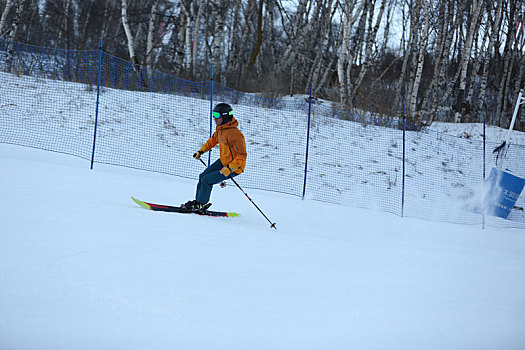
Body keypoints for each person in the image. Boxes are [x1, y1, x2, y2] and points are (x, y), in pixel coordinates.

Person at [182, 103, 247, 212]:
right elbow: (212, 141)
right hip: (223, 161)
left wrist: (230, 168)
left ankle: (201, 204)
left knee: (207, 180)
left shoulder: (235, 134)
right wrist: (201, 151)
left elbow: (242, 156)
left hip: (234, 167)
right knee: (202, 176)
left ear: (225, 116)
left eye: (217, 115)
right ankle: (198, 202)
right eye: (213, 114)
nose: (214, 118)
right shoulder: (221, 129)